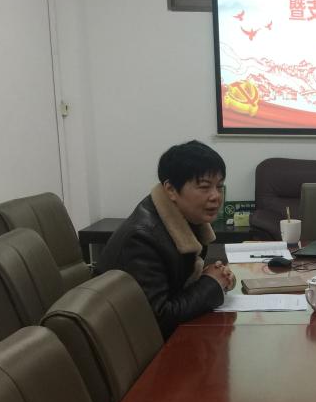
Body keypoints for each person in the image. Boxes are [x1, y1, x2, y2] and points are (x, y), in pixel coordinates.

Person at [95, 140, 235, 338]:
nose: (216, 196)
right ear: (170, 189)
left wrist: (214, 278)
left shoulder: (188, 218)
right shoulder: (142, 238)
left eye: (219, 186)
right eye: (204, 187)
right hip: (130, 344)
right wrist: (211, 283)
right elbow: (159, 318)